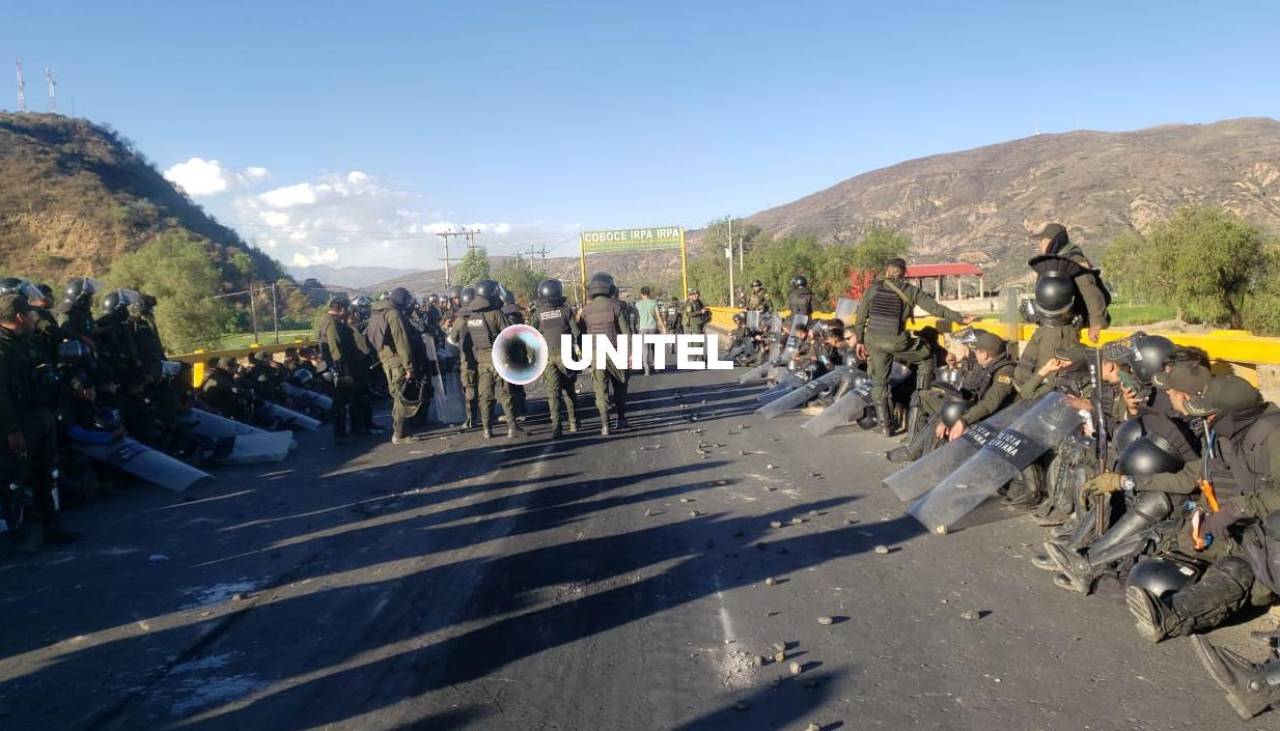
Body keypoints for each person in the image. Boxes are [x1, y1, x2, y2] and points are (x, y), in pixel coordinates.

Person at [1107, 375, 1280, 644]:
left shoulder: (1273, 434)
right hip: (1232, 530)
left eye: (1212, 415)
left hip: (1266, 541)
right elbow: (1196, 476)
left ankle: (1170, 615)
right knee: (1164, 534)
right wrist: (1126, 481)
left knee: (1234, 572)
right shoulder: (1226, 439)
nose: (1207, 422)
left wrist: (1236, 509)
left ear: (1233, 414)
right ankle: (1095, 569)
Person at [853, 258, 975, 435]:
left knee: (880, 382)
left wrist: (859, 341)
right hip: (897, 341)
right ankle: (922, 400)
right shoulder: (910, 290)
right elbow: (935, 308)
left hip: (873, 341)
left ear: (886, 272)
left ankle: (885, 425)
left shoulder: (873, 289)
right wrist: (960, 318)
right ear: (903, 274)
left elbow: (860, 318)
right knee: (925, 358)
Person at [0, 294, 78, 547]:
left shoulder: (25, 342)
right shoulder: (4, 347)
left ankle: (52, 529)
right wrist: (11, 430)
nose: (35, 318)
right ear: (21, 316)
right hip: (20, 422)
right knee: (14, 481)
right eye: (30, 314)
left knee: (45, 476)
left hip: (40, 416)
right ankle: (13, 535)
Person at [888, 330, 1016, 462]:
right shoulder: (989, 366)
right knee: (944, 414)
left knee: (947, 417)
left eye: (977, 351)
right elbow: (971, 395)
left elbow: (989, 404)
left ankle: (923, 460)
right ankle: (917, 453)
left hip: (995, 421)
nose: (974, 353)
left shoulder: (1004, 372)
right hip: (982, 413)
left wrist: (963, 420)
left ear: (984, 355)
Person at [456, 280, 521, 439]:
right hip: (500, 359)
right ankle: (512, 428)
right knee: (506, 393)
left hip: (482, 361)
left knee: (485, 396)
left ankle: (487, 429)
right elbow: (509, 334)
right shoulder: (496, 313)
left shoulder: (470, 317)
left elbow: (464, 341)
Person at [366, 287, 426, 444]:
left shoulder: (379, 311)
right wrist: (409, 367)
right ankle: (400, 433)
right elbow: (402, 342)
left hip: (386, 359)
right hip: (397, 360)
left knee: (397, 394)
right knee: (402, 397)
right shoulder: (394, 315)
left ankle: (401, 430)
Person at [578, 272, 632, 435]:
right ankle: (621, 420)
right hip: (615, 351)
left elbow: (581, 336)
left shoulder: (585, 311)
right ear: (610, 287)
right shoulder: (618, 306)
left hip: (596, 353)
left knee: (600, 390)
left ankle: (605, 425)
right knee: (620, 386)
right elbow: (626, 333)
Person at [532, 278, 581, 438]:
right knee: (568, 390)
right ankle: (573, 422)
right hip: (565, 354)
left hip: (546, 357)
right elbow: (577, 333)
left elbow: (531, 336)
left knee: (553, 393)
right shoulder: (566, 311)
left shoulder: (537, 314)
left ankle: (556, 427)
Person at [634, 286, 663, 375]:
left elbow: (636, 318)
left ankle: (647, 370)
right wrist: (663, 328)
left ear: (641, 294)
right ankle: (655, 366)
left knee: (644, 349)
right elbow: (658, 316)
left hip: (643, 328)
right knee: (653, 347)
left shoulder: (637, 304)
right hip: (653, 328)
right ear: (649, 293)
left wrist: (635, 329)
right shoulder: (654, 302)